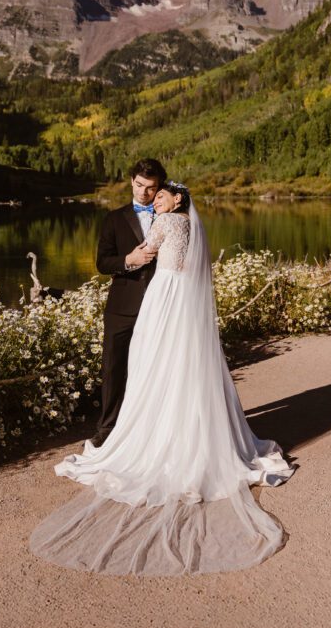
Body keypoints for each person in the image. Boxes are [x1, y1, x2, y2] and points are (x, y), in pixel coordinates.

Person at [30, 180, 295, 575]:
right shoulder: (187, 225)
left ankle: (153, 439)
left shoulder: (167, 223)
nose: (154, 202)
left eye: (160, 197)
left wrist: (132, 255)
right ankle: (182, 432)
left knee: (152, 363)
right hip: (180, 298)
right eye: (151, 197)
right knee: (175, 365)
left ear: (177, 200)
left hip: (163, 298)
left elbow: (143, 254)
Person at [91, 158, 167, 447]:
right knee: (113, 367)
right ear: (131, 181)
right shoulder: (113, 218)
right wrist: (128, 260)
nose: (143, 193)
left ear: (159, 188)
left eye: (150, 188)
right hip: (122, 307)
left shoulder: (170, 217)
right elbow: (102, 263)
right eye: (139, 185)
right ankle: (107, 429)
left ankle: (155, 430)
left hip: (161, 304)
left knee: (158, 366)